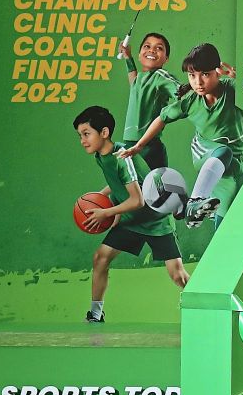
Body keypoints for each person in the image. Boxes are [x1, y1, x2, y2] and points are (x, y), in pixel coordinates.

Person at [73, 105, 187, 323]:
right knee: (100, 258)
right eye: (80, 136)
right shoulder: (101, 156)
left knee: (177, 275)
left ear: (104, 133)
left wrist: (105, 211)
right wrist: (99, 196)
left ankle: (208, 307)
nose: (83, 140)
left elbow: (137, 199)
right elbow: (117, 184)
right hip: (130, 220)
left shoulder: (122, 157)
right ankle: (96, 314)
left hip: (155, 220)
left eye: (86, 134)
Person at [119, 42, 243, 229]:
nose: (198, 82)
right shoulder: (191, 101)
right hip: (205, 152)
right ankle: (194, 203)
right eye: (192, 75)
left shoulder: (234, 89)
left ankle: (208, 223)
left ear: (217, 71)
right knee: (224, 152)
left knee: (226, 226)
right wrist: (139, 145)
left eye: (205, 74)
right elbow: (162, 118)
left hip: (234, 166)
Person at [117, 31, 180, 172]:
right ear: (139, 55)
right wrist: (128, 58)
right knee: (129, 191)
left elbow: (182, 92)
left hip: (149, 147)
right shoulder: (139, 78)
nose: (152, 50)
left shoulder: (161, 76)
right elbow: (134, 84)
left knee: (155, 192)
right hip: (129, 145)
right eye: (147, 46)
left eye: (159, 48)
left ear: (166, 59)